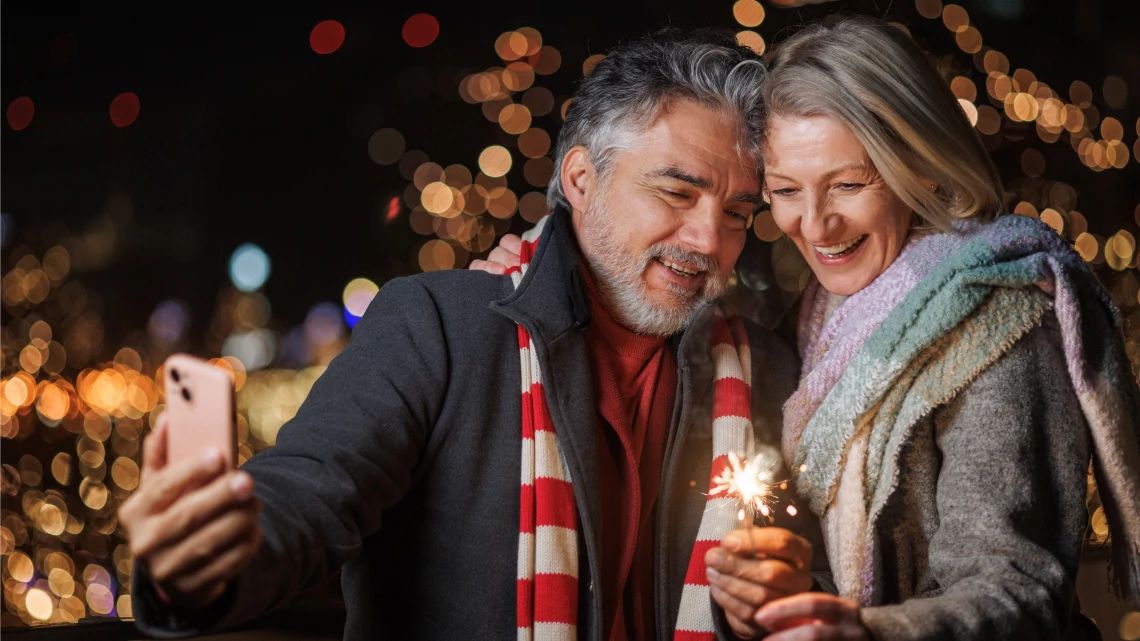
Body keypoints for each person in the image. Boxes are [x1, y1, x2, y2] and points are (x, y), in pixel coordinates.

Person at [119, 29, 816, 641]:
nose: (709, 239)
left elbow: (810, 574)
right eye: (676, 193)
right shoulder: (441, 326)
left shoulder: (765, 372)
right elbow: (311, 488)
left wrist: (775, 598)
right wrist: (205, 561)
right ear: (580, 178)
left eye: (737, 213)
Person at [479, 16, 1140, 641]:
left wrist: (868, 631)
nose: (815, 226)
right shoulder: (819, 318)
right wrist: (543, 261)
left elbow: (1017, 588)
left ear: (919, 166)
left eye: (848, 184)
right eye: (786, 192)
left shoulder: (995, 318)